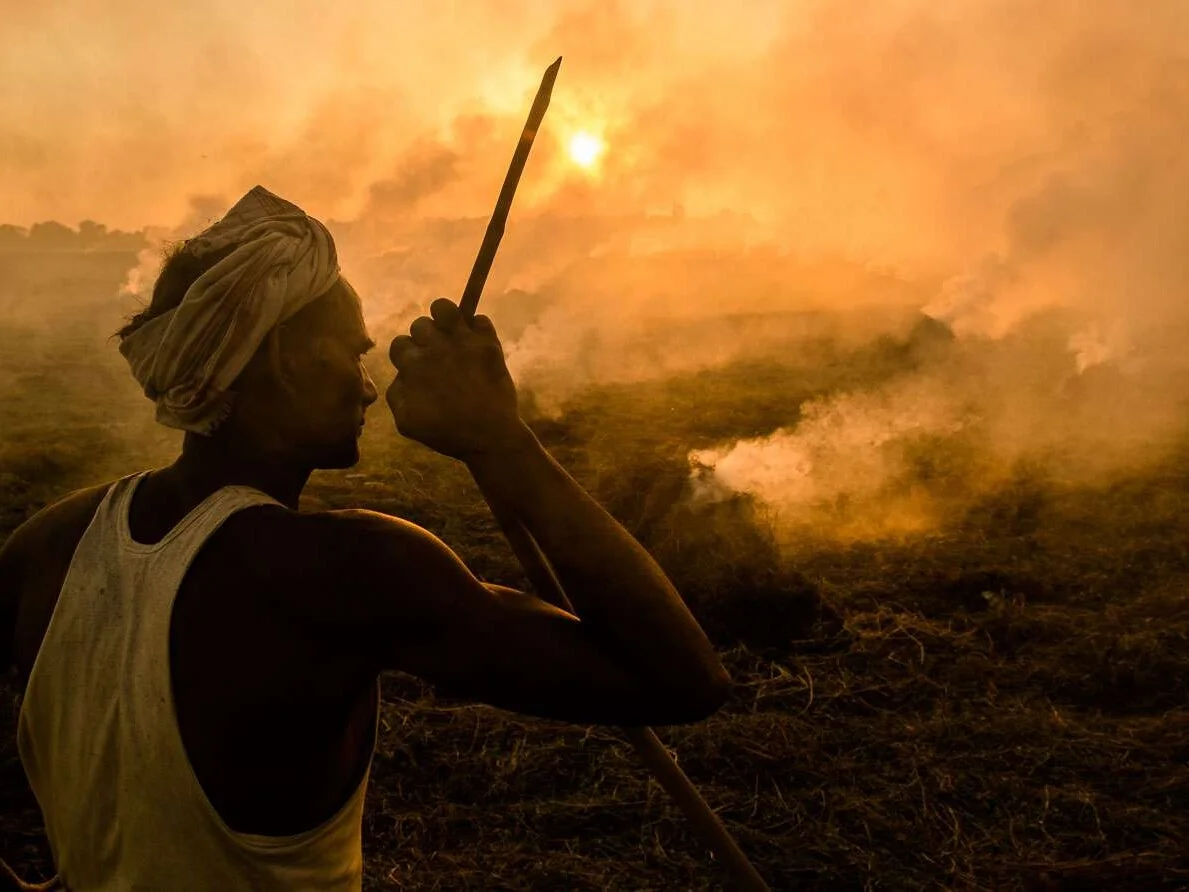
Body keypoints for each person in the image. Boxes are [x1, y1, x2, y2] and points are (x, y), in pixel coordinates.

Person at [0, 186, 730, 891]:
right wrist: (501, 440)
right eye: (351, 354)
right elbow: (678, 678)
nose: (368, 386)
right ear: (285, 357)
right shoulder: (345, 573)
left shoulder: (47, 545)